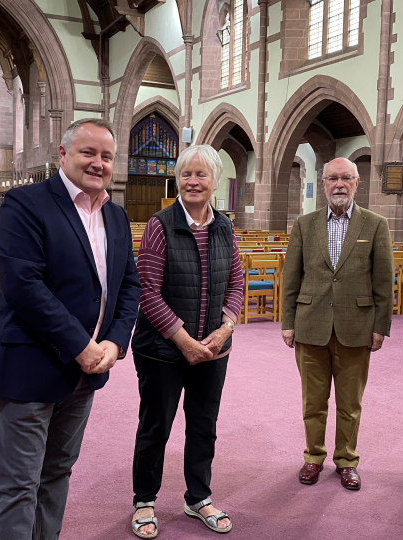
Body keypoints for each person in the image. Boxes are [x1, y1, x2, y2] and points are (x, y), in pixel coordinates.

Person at [0, 118, 141, 540]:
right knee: (19, 485)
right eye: (89, 152)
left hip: (84, 373)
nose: (98, 163)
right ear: (63, 154)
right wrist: (81, 346)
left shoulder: (117, 217)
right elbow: (24, 287)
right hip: (29, 365)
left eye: (107, 156)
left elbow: (129, 286)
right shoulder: (26, 203)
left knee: (57, 475)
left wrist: (114, 342)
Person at [129, 144, 243, 538]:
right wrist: (184, 340)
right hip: (161, 350)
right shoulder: (160, 225)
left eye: (201, 175)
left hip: (213, 349)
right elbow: (148, 292)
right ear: (177, 179)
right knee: (155, 427)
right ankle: (144, 500)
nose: (193, 182)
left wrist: (225, 327)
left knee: (203, 425)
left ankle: (198, 498)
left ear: (215, 181)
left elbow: (236, 283)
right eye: (186, 174)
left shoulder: (225, 226)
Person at [281, 157, 394, 491]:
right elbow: (291, 278)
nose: (339, 184)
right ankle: (313, 457)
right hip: (310, 325)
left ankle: (346, 460)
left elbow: (384, 283)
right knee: (312, 402)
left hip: (356, 327)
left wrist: (380, 327)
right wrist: (288, 322)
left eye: (346, 178)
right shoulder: (305, 224)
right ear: (324, 184)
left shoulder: (375, 225)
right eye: (332, 179)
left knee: (350, 404)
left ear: (357, 183)